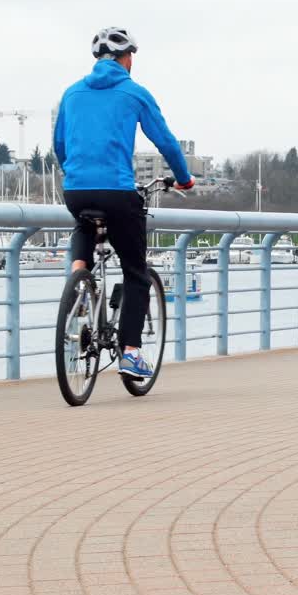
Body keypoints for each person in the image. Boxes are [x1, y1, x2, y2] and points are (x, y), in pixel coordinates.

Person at [53, 27, 194, 379]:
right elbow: (166, 141)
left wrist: (76, 173)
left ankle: (78, 278)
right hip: (116, 192)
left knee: (83, 222)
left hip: (76, 189)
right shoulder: (134, 92)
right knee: (135, 271)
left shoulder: (71, 94)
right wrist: (185, 178)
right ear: (127, 58)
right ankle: (130, 352)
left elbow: (60, 146)